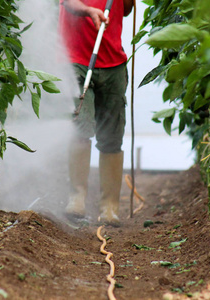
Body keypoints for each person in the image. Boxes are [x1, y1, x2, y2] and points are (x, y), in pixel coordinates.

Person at [59, 0, 133, 226]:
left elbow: (126, 9)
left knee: (112, 137)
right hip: (77, 60)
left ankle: (109, 207)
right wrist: (89, 10)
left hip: (113, 63)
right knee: (81, 127)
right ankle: (77, 198)